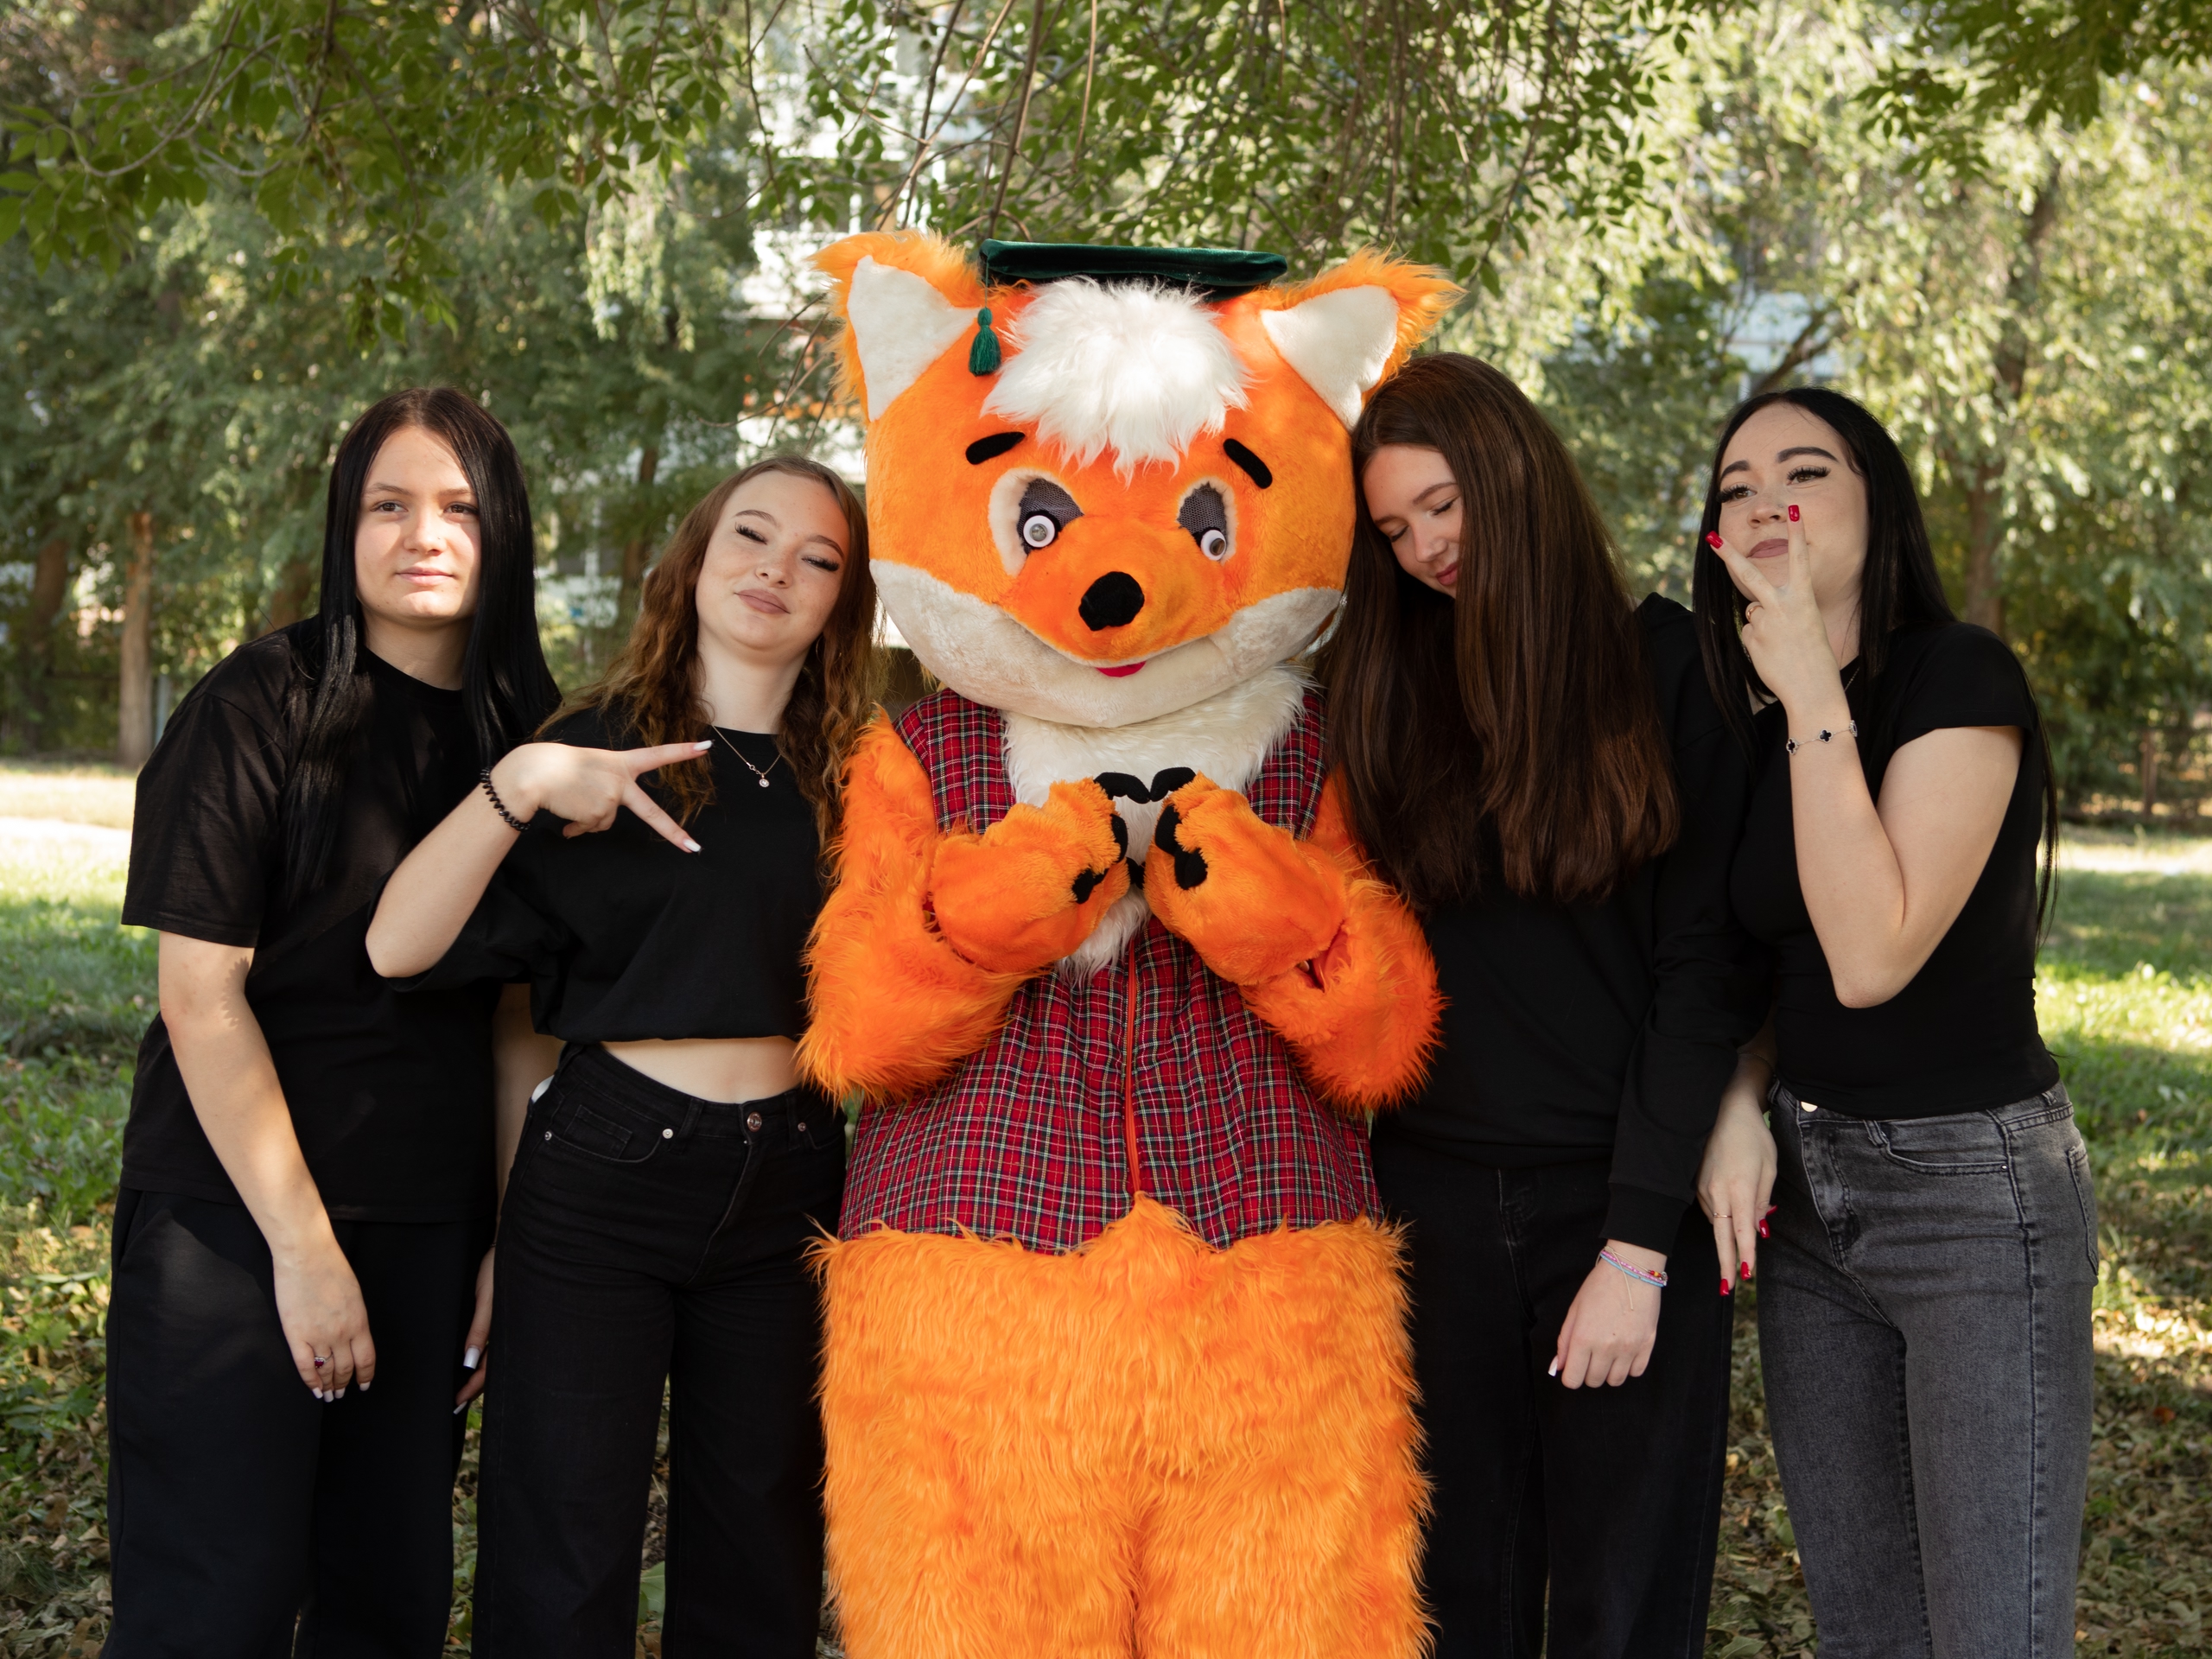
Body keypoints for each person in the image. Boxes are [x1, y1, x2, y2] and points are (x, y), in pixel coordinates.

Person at [365, 454, 879, 1658]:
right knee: (562, 1540)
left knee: (760, 1547)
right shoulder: (593, 747)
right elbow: (397, 946)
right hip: (605, 1171)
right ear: (694, 557)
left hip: (795, 1179)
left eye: (817, 559)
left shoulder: (862, 779)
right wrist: (523, 779)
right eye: (751, 535)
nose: (776, 570)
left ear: (841, 605)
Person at [105, 387, 563, 1656]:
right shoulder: (260, 700)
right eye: (387, 505)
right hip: (232, 1221)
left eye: (460, 507)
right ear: (344, 527)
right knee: (215, 1607)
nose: (425, 534)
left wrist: (504, 1241)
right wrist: (304, 1256)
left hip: (429, 1223)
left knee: (388, 1606)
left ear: (506, 529)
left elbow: (520, 1017)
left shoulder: (531, 736)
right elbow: (201, 997)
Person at [1328, 353, 1766, 1657]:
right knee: (1456, 1596)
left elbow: (1705, 972)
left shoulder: (1670, 670)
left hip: (1622, 1195)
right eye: (1394, 529)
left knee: (1621, 1605)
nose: (1425, 548)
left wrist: (1636, 1250)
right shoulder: (1388, 688)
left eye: (1443, 504)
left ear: (1514, 475)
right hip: (1430, 1201)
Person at [1694, 386, 2088, 1659]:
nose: (1767, 500)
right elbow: (1780, 967)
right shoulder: (1758, 720)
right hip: (1810, 1207)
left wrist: (1812, 682)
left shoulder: (1958, 676)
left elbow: (1870, 955)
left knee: (1991, 1635)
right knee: (1869, 1632)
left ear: (1879, 501)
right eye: (1737, 487)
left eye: (1804, 472)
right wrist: (1740, 1101)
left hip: (1971, 1198)